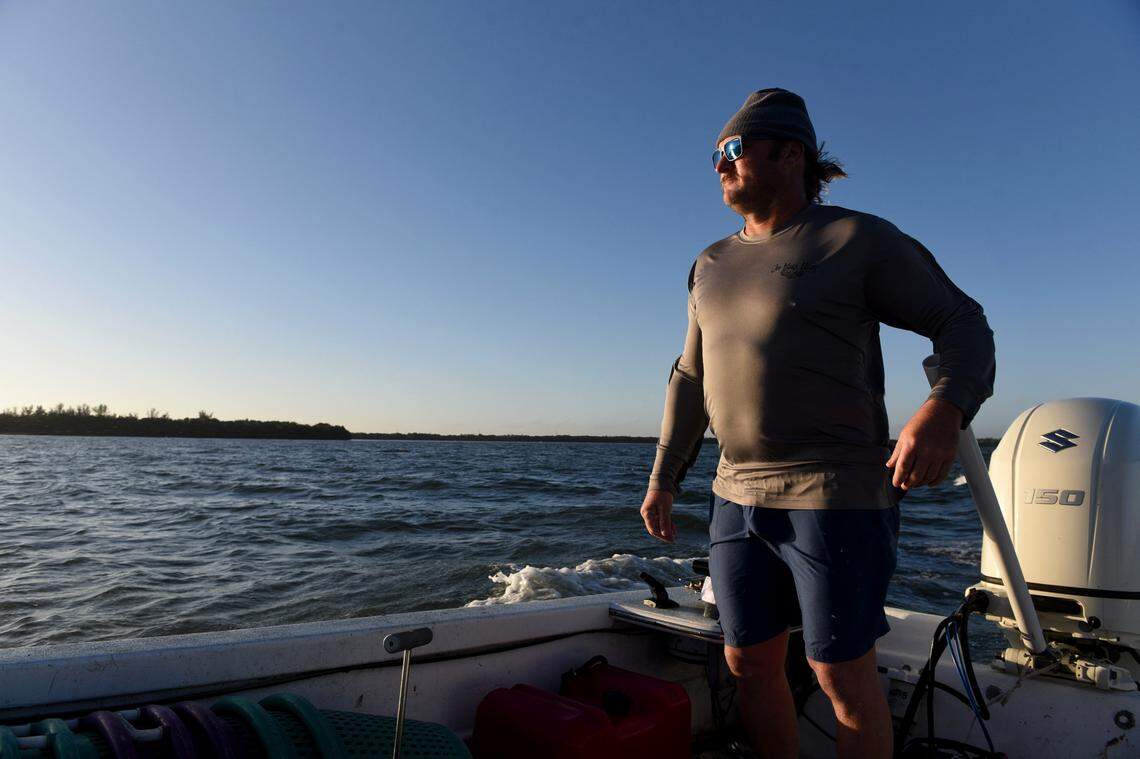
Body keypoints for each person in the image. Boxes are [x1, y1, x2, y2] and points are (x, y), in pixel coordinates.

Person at [639, 88, 995, 758]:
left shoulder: (855, 240)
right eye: (715, 154)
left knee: (840, 673)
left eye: (735, 150)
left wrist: (945, 408)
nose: (720, 165)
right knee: (747, 663)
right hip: (734, 495)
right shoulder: (709, 264)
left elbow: (962, 323)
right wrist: (664, 478)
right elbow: (690, 379)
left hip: (835, 496)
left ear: (790, 153)